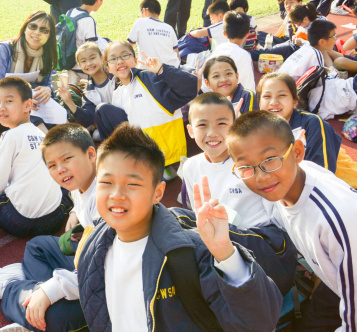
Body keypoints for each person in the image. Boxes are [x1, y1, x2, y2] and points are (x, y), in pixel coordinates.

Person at [53, 123, 284, 331]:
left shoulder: (190, 252)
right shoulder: (93, 248)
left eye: (132, 184)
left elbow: (258, 323)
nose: (117, 195)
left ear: (158, 193)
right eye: (106, 182)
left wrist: (225, 252)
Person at [227, 110, 357, 331]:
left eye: (270, 160)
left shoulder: (336, 220)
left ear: (297, 152)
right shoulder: (294, 179)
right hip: (354, 273)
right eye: (245, 167)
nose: (261, 176)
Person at [0, 123, 99, 332]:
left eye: (67, 159)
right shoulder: (82, 183)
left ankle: (12, 290)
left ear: (90, 154)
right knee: (38, 246)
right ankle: (29, 291)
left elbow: (103, 270)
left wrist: (49, 292)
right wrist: (74, 212)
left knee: (56, 318)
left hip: (109, 283)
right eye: (52, 165)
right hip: (87, 263)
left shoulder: (109, 198)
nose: (60, 169)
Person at [0, 77, 73, 237]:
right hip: (55, 219)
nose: (1, 108)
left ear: (28, 105)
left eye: (9, 101)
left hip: (20, 223)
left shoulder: (11, 136)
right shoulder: (42, 134)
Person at [257, 72, 357, 195]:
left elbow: (322, 174)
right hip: (298, 189)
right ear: (259, 102)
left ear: (295, 101)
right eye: (267, 96)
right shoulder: (258, 130)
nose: (274, 102)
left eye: (282, 95)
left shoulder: (312, 123)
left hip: (350, 190)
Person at [94, 41, 198, 167]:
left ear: (135, 60)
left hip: (169, 157)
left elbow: (191, 88)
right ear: (108, 68)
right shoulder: (118, 94)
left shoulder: (150, 78)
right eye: (113, 59)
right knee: (102, 110)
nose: (120, 61)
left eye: (125, 55)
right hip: (143, 159)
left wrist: (161, 70)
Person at [181, 92, 270, 227]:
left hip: (256, 234)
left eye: (221, 123)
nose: (212, 133)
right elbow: (198, 212)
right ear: (191, 131)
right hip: (214, 234)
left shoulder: (253, 161)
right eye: (202, 125)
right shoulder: (190, 166)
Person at [0, 11, 57, 132]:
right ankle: (46, 140)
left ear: (49, 36)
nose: (37, 32)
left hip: (31, 105)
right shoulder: (6, 49)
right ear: (25, 29)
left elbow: (46, 84)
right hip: (0, 108)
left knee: (56, 114)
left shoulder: (46, 55)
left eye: (44, 30)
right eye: (33, 26)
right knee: (31, 115)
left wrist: (48, 89)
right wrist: (18, 101)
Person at [58, 42, 115, 134]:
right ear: (79, 65)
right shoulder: (88, 92)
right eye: (83, 61)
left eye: (92, 58)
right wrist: (69, 101)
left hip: (127, 120)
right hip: (110, 128)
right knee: (96, 134)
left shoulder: (116, 78)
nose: (89, 63)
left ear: (102, 57)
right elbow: (87, 119)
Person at [64, 0, 109, 84]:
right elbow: (91, 48)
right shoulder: (88, 20)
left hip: (70, 61)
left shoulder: (70, 12)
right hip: (83, 66)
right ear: (99, 0)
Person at [206, 11, 256, 91]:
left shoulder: (219, 48)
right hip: (223, 95)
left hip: (207, 92)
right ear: (248, 34)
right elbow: (248, 89)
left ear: (224, 34)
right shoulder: (243, 55)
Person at [127, 0, 180, 68]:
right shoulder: (169, 27)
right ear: (159, 14)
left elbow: (129, 49)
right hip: (173, 69)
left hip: (149, 70)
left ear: (144, 10)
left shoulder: (140, 22)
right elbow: (177, 54)